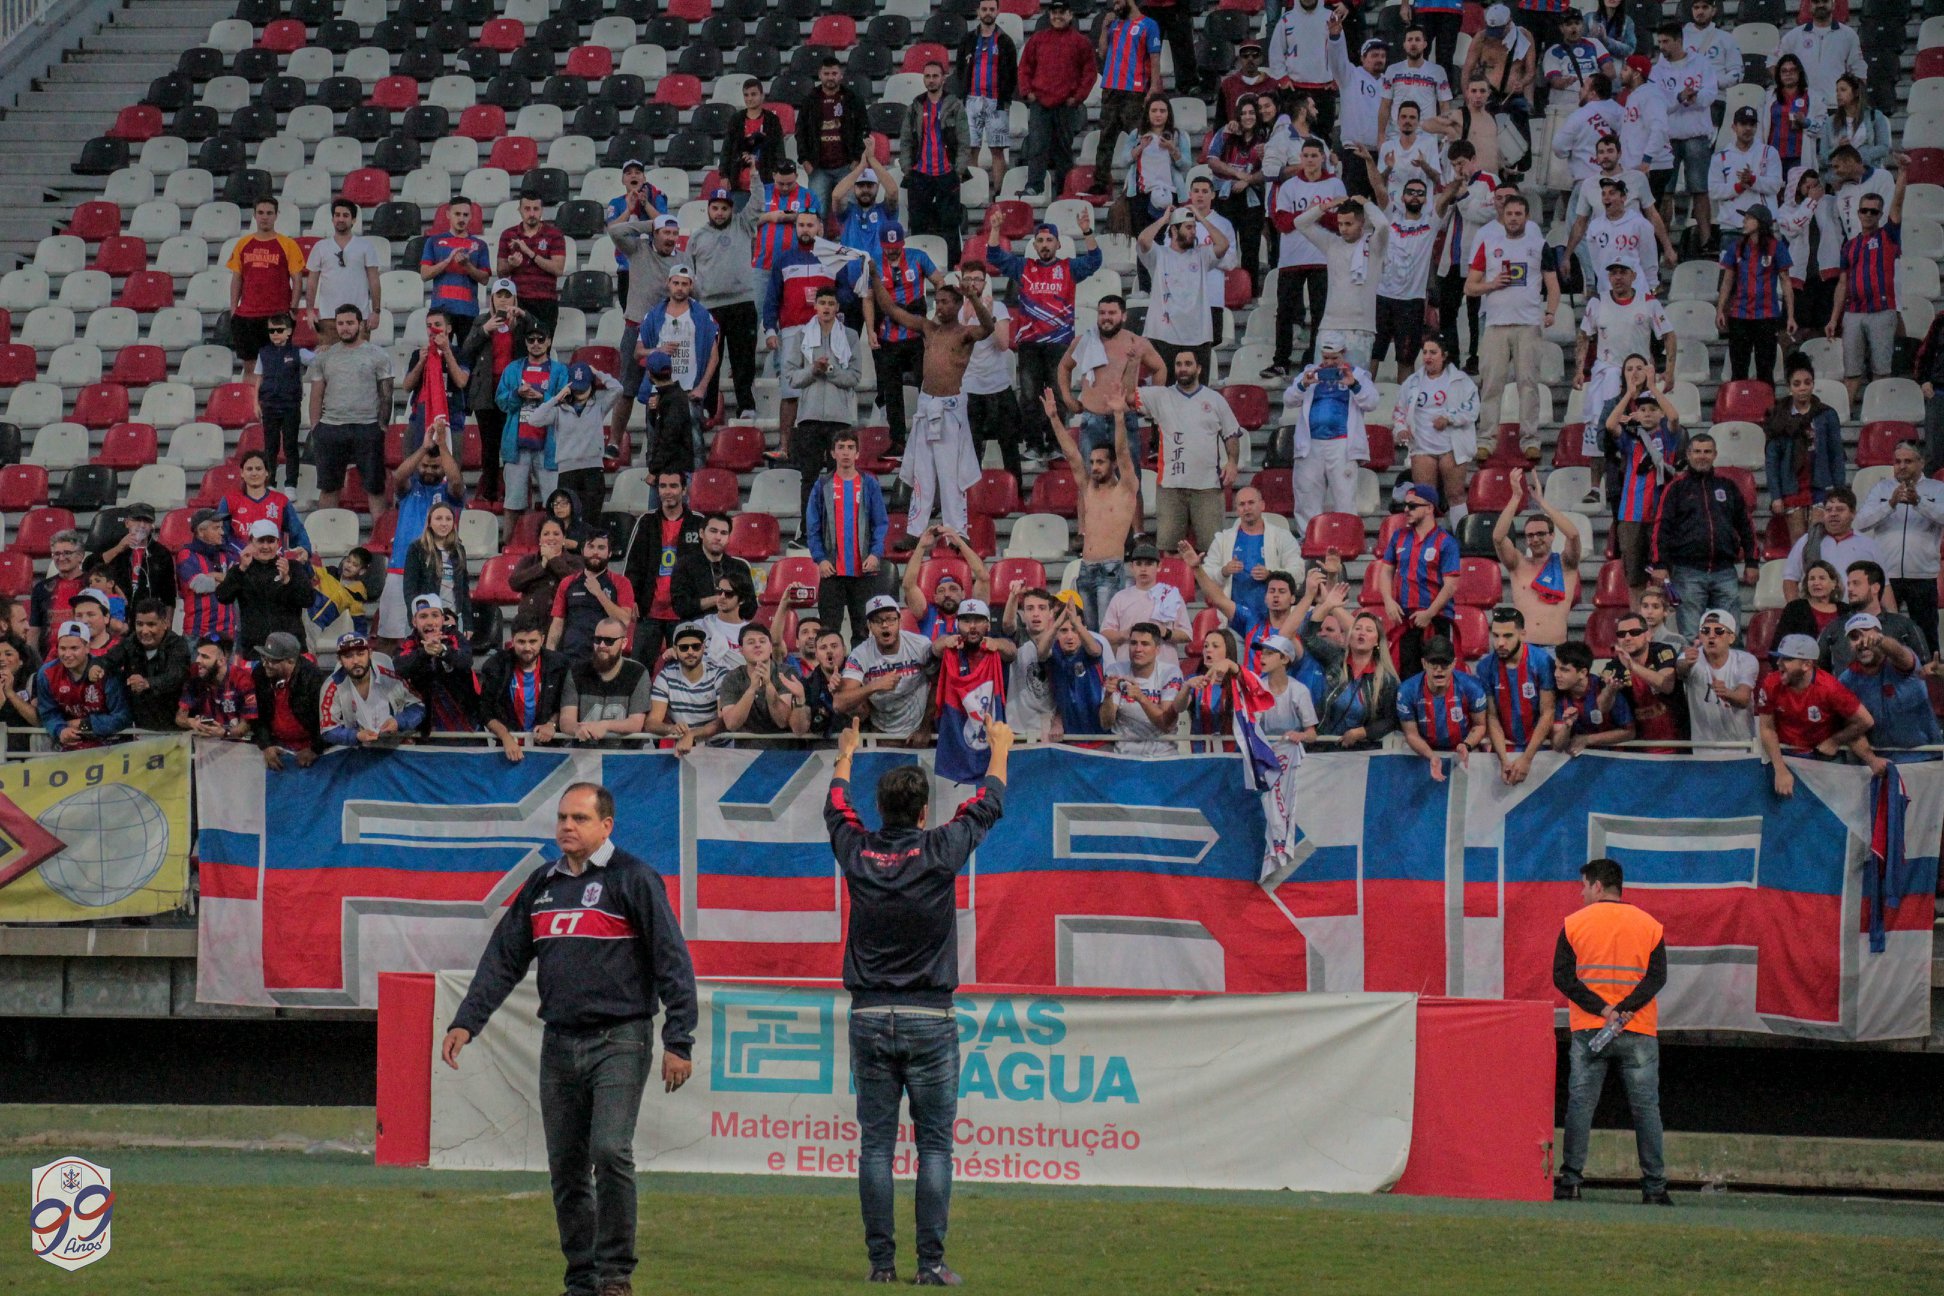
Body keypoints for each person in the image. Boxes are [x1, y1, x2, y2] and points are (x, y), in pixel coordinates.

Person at [444, 783, 696, 1296]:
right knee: (566, 1168)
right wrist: (467, 1020)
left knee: (610, 1151)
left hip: (620, 1038)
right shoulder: (542, 885)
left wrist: (679, 1039)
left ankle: (615, 1275)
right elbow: (503, 959)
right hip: (559, 1041)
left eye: (579, 818)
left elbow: (672, 960)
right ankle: (581, 1279)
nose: (566, 826)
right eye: (561, 817)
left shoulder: (634, 879)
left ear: (606, 825)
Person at [822, 713, 1008, 1286]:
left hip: (870, 1015)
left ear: (881, 811)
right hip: (931, 1017)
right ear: (924, 812)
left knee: (875, 1148)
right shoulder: (939, 849)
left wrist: (846, 752)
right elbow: (988, 803)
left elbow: (834, 807)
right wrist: (1000, 748)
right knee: (934, 1149)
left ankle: (882, 1267)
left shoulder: (858, 850)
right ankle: (930, 1264)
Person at [1553, 858, 1669, 1204]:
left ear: (1598, 886)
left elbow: (1563, 977)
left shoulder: (1573, 924)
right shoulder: (1650, 925)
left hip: (1591, 1028)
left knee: (1580, 1106)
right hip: (1638, 1029)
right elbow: (1657, 977)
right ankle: (1655, 1189)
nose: (1581, 892)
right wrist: (1625, 1010)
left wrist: (1603, 1010)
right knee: (1647, 1109)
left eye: (1584, 886)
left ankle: (1570, 1183)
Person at [872, 279, 993, 543]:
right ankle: (915, 531)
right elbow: (892, 310)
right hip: (927, 406)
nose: (939, 306)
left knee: (950, 476)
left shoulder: (964, 333)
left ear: (958, 305)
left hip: (950, 408)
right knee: (921, 474)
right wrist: (872, 275)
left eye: (946, 302)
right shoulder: (928, 328)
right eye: (937, 301)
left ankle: (957, 532)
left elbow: (988, 327)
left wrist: (973, 296)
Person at [1466, 192, 1558, 461]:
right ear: (1502, 216)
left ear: (1526, 217)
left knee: (1528, 384)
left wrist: (1551, 311)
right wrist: (1492, 285)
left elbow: (1552, 286)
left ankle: (1530, 439)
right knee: (1491, 384)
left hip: (1528, 323)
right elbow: (1470, 286)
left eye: (1519, 214)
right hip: (1496, 324)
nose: (1514, 219)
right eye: (1510, 214)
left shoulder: (1539, 245)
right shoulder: (1488, 243)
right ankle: (1486, 439)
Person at [1648, 434, 1760, 639]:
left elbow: (1746, 525)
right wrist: (1660, 564)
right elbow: (1661, 527)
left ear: (1715, 455)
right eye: (1697, 451)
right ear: (1689, 454)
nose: (1702, 456)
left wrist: (1752, 561)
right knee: (1691, 638)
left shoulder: (1728, 486)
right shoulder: (1676, 487)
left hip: (1725, 571)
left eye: (1707, 451)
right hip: (1687, 572)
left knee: (1730, 636)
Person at [376, 421, 465, 649]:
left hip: (433, 573)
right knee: (388, 636)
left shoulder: (450, 494)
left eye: (436, 467)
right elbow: (397, 477)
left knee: (431, 636)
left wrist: (443, 446)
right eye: (425, 466)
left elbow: (456, 481)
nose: (429, 470)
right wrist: (424, 448)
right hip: (399, 568)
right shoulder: (409, 488)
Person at [1142, 349, 1241, 553]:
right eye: (1179, 364)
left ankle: (1208, 586)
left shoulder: (1215, 399)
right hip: (1170, 486)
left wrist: (1232, 462)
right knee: (1169, 549)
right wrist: (1134, 362)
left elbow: (1231, 433)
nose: (1183, 368)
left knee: (1212, 549)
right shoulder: (1161, 396)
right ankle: (1173, 585)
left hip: (1207, 487)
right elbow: (1126, 396)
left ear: (1199, 368)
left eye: (1188, 363)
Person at [1579, 262, 1674, 472]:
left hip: (1641, 376)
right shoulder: (1597, 302)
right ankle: (1595, 488)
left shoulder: (1648, 302)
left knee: (1645, 426)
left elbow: (1669, 334)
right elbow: (1584, 335)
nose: (1618, 277)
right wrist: (1578, 369)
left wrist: (1670, 371)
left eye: (1623, 272)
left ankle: (1645, 471)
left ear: (1633, 275)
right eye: (1613, 273)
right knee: (1597, 425)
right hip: (1606, 373)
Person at [781, 286, 863, 525]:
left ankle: (838, 525)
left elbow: (855, 377)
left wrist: (830, 371)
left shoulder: (850, 336)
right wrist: (813, 371)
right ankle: (808, 528)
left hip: (840, 419)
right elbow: (792, 377)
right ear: (815, 306)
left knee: (838, 476)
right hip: (809, 417)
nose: (826, 307)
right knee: (809, 477)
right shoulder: (802, 336)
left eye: (831, 303)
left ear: (837, 308)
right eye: (822, 303)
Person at [1758, 634, 1878, 797]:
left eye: (1786, 659)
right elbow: (1766, 728)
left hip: (1823, 759)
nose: (1778, 663)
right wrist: (1780, 769)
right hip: (1786, 755)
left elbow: (1865, 721)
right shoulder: (1771, 683)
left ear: (1807, 665)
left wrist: (1835, 741)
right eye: (1779, 658)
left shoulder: (1829, 688)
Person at [1053, 294, 1163, 472]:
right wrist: (1067, 398)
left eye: (1112, 313)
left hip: (1125, 420)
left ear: (1124, 316)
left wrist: (1149, 402)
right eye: (1102, 312)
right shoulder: (1085, 340)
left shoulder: (1137, 343)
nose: (1106, 317)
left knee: (1130, 483)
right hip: (1091, 420)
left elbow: (1160, 369)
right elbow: (1064, 367)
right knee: (1090, 484)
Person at [1267, 139, 1348, 376]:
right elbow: (1281, 223)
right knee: (1284, 311)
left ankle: (1313, 359)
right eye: (1306, 155)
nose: (1310, 160)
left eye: (1314, 155)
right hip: (1291, 258)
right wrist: (1317, 211)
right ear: (1300, 158)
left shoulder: (1335, 185)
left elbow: (1340, 222)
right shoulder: (1290, 186)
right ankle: (1280, 360)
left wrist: (1313, 215)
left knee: (1320, 312)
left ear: (1323, 157)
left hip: (1323, 257)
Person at [1286, 331, 1380, 532]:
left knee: (1344, 496)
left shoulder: (1358, 375)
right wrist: (1304, 384)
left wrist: (1353, 384)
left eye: (1334, 358)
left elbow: (1372, 402)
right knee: (1307, 494)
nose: (1328, 362)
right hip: (1311, 443)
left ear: (1343, 353)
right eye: (1325, 358)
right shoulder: (1310, 373)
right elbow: (1288, 400)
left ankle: (1344, 538)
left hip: (1342, 443)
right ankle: (1309, 538)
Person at [1857, 442, 1944, 654]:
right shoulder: (1882, 489)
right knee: (1883, 631)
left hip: (1923, 575)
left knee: (1926, 635)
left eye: (1908, 461)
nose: (1902, 466)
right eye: (1897, 462)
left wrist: (1919, 502)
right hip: (1886, 576)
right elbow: (1861, 523)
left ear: (1921, 463)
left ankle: (1929, 683)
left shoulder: (1937, 488)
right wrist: (1890, 504)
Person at [305, 305, 394, 513]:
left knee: (375, 488)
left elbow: (387, 394)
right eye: (341, 323)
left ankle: (379, 538)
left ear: (360, 325)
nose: (345, 328)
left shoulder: (378, 355)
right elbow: (316, 393)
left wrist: (381, 426)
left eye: (350, 323)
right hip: (331, 428)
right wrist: (316, 427)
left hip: (367, 427)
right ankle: (324, 537)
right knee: (329, 487)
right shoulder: (325, 357)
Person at [1830, 164, 1905, 406]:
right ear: (1858, 213)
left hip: (1882, 310)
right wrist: (1834, 318)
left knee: (1881, 371)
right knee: (1851, 373)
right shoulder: (1849, 245)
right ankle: (1843, 417)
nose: (1869, 215)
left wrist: (1903, 173)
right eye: (1865, 211)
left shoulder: (1888, 235)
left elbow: (1898, 205)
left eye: (1874, 212)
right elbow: (1842, 283)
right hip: (1853, 312)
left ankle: (1881, 415)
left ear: (1881, 214)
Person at [804, 431, 888, 645]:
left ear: (858, 453)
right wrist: (820, 559)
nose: (846, 453)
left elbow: (880, 523)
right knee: (829, 631)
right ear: (833, 453)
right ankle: (829, 677)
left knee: (862, 630)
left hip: (863, 571)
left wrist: (876, 553)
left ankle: (858, 677)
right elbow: (812, 527)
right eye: (841, 447)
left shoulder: (869, 484)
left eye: (851, 447)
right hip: (831, 570)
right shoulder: (822, 485)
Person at [689, 187, 763, 422]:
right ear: (708, 209)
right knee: (710, 360)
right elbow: (688, 273)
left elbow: (758, 201)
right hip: (710, 308)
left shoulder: (743, 225)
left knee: (744, 359)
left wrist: (753, 176)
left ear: (732, 209)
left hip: (742, 303)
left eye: (724, 208)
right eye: (715, 208)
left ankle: (746, 406)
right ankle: (709, 407)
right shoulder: (697, 237)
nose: (719, 213)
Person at [456, 281, 532, 507]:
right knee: (489, 447)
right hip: (486, 393)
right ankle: (489, 493)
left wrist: (524, 317)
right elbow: (466, 349)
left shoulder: (522, 322)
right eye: (499, 295)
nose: (503, 300)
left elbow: (542, 335)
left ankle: (513, 493)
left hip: (514, 392)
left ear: (515, 299)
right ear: (491, 298)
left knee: (513, 445)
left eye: (508, 296)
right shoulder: (481, 321)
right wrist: (484, 330)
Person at [1605, 383, 1683, 598]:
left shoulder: (1668, 437)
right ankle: (1638, 626)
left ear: (1660, 413)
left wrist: (1654, 388)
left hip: (1662, 516)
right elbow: (1611, 424)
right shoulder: (1631, 440)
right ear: (1636, 413)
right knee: (1635, 581)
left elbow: (1674, 417)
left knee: (1662, 579)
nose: (1648, 413)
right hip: (1631, 516)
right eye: (1643, 410)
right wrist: (1630, 393)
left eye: (1653, 409)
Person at [1378, 481, 1463, 678]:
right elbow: (1385, 571)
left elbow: (1451, 585)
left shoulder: (1446, 541)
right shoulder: (1398, 536)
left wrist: (1429, 613)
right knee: (1406, 675)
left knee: (1438, 675)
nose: (1406, 510)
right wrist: (1388, 600)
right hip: (1406, 620)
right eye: (1405, 505)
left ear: (1430, 508)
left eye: (1413, 506)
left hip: (1437, 620)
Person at [1393, 338, 1481, 523]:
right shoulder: (1412, 381)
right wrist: (1401, 429)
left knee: (1456, 495)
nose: (1427, 357)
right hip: (1422, 445)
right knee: (1424, 498)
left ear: (1444, 355)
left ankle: (1461, 539)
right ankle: (1427, 541)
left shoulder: (1461, 380)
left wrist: (1449, 418)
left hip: (1451, 445)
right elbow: (1400, 410)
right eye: (1425, 352)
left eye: (1433, 352)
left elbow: (1472, 409)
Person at [1490, 469, 1580, 646]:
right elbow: (1498, 537)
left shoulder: (1565, 565)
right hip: (1523, 649)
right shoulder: (1518, 564)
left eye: (1541, 533)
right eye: (1530, 535)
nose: (1536, 539)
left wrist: (1542, 502)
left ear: (1552, 535)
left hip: (1555, 648)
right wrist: (1516, 498)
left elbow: (1573, 535)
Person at [1017, 0, 1097, 200]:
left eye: (1062, 13)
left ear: (1070, 15)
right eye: (1054, 13)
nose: (1057, 16)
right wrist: (1028, 92)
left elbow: (1089, 74)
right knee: (1037, 145)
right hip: (1040, 104)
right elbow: (1024, 67)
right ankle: (1034, 185)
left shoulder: (1081, 42)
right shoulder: (1037, 39)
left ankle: (1064, 189)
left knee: (1063, 148)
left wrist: (1077, 98)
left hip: (1065, 105)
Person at [1650, 21, 1719, 251]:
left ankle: (1706, 242)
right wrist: (1679, 97)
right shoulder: (1658, 69)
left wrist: (1695, 97)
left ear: (1679, 41)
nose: (1662, 46)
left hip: (1695, 133)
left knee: (1700, 189)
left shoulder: (1700, 63)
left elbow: (1712, 92)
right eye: (1659, 42)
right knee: (1665, 192)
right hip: (1667, 136)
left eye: (1666, 42)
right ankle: (1663, 246)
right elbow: (1656, 102)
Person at [1197, 486, 1305, 627]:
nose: (1246, 508)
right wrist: (1224, 571)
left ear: (1262, 505)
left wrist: (1271, 574)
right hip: (1234, 622)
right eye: (1242, 504)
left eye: (1251, 503)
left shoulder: (1282, 537)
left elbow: (1299, 572)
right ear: (1237, 510)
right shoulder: (1223, 539)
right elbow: (1205, 575)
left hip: (1274, 621)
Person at [1837, 614, 1939, 761]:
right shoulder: (1846, 681)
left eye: (1869, 634)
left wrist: (1881, 641)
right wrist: (1872, 760)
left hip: (1926, 758)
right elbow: (1851, 727)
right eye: (1855, 637)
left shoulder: (1900, 662)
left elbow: (1900, 654)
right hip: (1882, 765)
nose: (1863, 642)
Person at [955, 262, 1022, 482]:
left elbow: (1003, 344)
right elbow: (956, 348)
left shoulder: (999, 307)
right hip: (969, 388)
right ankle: (972, 497)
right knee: (970, 448)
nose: (973, 283)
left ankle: (1017, 494)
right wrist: (964, 319)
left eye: (977, 279)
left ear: (985, 282)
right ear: (962, 281)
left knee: (1009, 446)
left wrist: (989, 317)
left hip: (998, 387)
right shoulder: (955, 310)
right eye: (968, 279)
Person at [899, 62, 970, 271]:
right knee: (918, 225)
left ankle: (952, 269)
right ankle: (918, 268)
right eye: (927, 76)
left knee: (949, 225)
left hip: (947, 173)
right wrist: (906, 169)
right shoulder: (915, 106)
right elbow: (905, 140)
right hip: (920, 174)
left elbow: (964, 141)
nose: (931, 80)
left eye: (935, 76)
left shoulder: (954, 105)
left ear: (943, 78)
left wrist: (957, 171)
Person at [1135, 207, 1223, 374]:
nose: (1193, 232)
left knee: (1197, 390)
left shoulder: (1202, 255)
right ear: (1174, 230)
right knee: (1164, 392)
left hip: (1198, 336)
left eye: (1194, 227)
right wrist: (1163, 220)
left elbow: (1223, 245)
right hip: (1163, 336)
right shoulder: (1159, 254)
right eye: (1188, 227)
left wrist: (1201, 219)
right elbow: (1143, 240)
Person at [1476, 606, 1557, 785]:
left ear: (1523, 634)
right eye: (1495, 636)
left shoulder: (1542, 662)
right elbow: (1492, 716)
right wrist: (1503, 760)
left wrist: (1527, 758)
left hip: (1539, 748)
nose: (1500, 643)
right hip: (1505, 747)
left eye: (1508, 636)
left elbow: (1548, 712)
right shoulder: (1485, 667)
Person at [1766, 357, 1845, 540]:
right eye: (1797, 383)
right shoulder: (1777, 416)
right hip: (1791, 485)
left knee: (1817, 541)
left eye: (1807, 383)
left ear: (1813, 384)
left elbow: (1836, 455)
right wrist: (1776, 495)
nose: (1802, 388)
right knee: (1798, 543)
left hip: (1821, 484)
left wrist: (1839, 491)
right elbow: (1772, 460)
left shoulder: (1827, 414)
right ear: (1789, 387)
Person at [838, 595, 936, 742]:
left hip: (918, 728)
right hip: (881, 732)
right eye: (878, 621)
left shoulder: (920, 645)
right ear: (869, 626)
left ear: (899, 621)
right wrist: (875, 686)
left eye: (890, 619)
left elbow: (938, 684)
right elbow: (840, 703)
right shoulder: (860, 654)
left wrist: (925, 727)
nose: (885, 625)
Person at [495, 326, 569, 515]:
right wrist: (516, 394)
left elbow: (566, 404)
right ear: (525, 342)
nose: (536, 344)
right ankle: (508, 544)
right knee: (513, 503)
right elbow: (500, 401)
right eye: (531, 340)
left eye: (540, 339)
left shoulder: (560, 371)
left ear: (549, 341)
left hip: (549, 447)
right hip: (517, 446)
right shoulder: (512, 369)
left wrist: (541, 397)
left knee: (554, 505)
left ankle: (553, 542)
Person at [215, 520, 314, 659]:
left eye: (271, 541)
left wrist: (287, 580)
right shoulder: (241, 570)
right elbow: (222, 597)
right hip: (255, 650)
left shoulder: (293, 567)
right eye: (261, 541)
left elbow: (308, 600)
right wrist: (241, 569)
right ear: (251, 541)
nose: (266, 546)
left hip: (290, 649)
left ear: (278, 543)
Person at [1092, 0, 1163, 193]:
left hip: (1134, 91)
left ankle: (1145, 178)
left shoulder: (1148, 25)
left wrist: (1154, 87)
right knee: (1105, 137)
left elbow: (1155, 57)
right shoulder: (1114, 24)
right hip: (1110, 88)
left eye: (1117, 0)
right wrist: (1103, 29)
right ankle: (1100, 182)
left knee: (1139, 136)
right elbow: (1103, 53)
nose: (1114, 4)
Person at [537, 363, 625, 517]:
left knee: (591, 519)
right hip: (567, 472)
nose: (580, 392)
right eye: (576, 388)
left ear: (591, 385)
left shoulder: (599, 406)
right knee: (567, 521)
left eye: (584, 387)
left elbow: (618, 389)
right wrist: (556, 398)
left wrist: (598, 373)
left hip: (593, 471)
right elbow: (535, 419)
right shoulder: (558, 411)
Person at [1395, 634, 1488, 780]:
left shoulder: (1471, 687)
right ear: (1424, 663)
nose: (1439, 670)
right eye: (1433, 663)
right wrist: (1431, 755)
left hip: (1463, 747)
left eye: (1444, 663)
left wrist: (1467, 745)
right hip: (1424, 749)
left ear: (1454, 663)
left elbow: (1480, 725)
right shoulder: (1407, 690)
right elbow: (1411, 734)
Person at [226, 197, 304, 363]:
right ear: (254, 215)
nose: (264, 217)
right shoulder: (243, 244)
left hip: (277, 315)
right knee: (250, 367)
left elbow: (297, 279)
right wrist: (234, 309)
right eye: (260, 212)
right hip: (247, 316)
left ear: (276, 216)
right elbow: (237, 278)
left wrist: (293, 309)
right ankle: (253, 391)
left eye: (269, 213)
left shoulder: (288, 244)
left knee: (278, 365)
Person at [480, 617, 567, 762]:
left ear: (542, 639)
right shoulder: (495, 665)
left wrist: (551, 724)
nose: (527, 648)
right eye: (521, 642)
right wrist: (505, 736)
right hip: (507, 749)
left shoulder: (558, 665)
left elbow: (566, 704)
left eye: (533, 642)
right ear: (512, 640)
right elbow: (485, 711)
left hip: (549, 749)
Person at [955, 0, 1018, 200]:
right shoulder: (967, 40)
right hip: (971, 100)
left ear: (998, 11)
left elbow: (1012, 74)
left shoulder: (1005, 41)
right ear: (978, 11)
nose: (988, 13)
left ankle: (998, 194)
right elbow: (959, 69)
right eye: (984, 9)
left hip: (996, 102)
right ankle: (976, 192)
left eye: (992, 9)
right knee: (972, 149)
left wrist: (1005, 98)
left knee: (997, 150)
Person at [1817, 561, 1928, 673]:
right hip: (1844, 688)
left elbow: (1924, 668)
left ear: (1875, 588)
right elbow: (1816, 670)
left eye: (1856, 583)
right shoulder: (1834, 628)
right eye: (1849, 584)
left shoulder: (1904, 625)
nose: (1850, 589)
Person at [1600, 609, 1686, 749]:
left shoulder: (1662, 650)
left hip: (1676, 745)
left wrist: (1632, 666)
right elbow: (1602, 707)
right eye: (1621, 634)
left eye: (1634, 632)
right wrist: (1610, 691)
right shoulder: (1613, 666)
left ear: (1648, 635)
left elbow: (1666, 685)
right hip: (1638, 749)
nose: (1627, 638)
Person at [34, 621, 129, 749]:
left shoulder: (106, 671)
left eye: (74, 648)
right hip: (68, 751)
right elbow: (48, 713)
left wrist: (84, 724)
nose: (67, 655)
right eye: (62, 648)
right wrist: (60, 730)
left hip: (111, 749)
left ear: (87, 647)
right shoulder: (46, 674)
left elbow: (122, 717)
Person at [560, 617, 653, 746]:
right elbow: (566, 719)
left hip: (625, 757)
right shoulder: (576, 672)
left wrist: (605, 725)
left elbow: (636, 723)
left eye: (609, 641)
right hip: (584, 756)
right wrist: (577, 729)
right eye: (597, 640)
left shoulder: (638, 673)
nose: (602, 646)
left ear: (624, 643)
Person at [397, 589, 478, 737]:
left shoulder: (454, 637)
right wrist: (424, 653)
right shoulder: (408, 644)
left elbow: (466, 660)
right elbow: (398, 667)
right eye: (423, 616)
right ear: (414, 622)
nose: (430, 622)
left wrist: (443, 651)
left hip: (465, 725)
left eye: (435, 615)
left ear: (442, 619)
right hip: (425, 728)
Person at [320, 630, 421, 747]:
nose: (356, 661)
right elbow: (328, 730)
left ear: (370, 653)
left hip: (397, 745)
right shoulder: (331, 687)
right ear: (339, 660)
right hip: (358, 751)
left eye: (360, 654)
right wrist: (355, 736)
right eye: (348, 656)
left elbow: (419, 706)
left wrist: (399, 722)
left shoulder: (391, 677)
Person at [1099, 543, 1192, 670]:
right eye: (1139, 564)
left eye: (1149, 564)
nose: (1143, 569)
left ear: (1159, 566)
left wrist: (1166, 633)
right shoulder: (1120, 597)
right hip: (1129, 668)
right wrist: (1124, 634)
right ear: (1132, 567)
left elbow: (1187, 634)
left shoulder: (1171, 595)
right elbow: (1105, 633)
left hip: (1164, 669)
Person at [1776, 168, 1843, 346]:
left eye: (1816, 185)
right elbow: (1794, 227)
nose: (1813, 189)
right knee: (1793, 326)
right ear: (1797, 187)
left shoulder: (1828, 202)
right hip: (1800, 276)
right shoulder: (1784, 211)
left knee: (1822, 324)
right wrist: (1810, 202)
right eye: (1808, 186)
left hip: (1826, 275)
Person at [548, 531, 635, 667]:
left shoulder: (621, 583)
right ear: (583, 551)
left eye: (601, 548)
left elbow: (624, 620)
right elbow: (557, 624)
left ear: (609, 553)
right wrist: (550, 656)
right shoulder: (568, 583)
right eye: (591, 547)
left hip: (605, 659)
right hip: (571, 658)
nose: (595, 552)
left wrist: (599, 594)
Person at [1782, 486, 1882, 603]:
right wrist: (1795, 610)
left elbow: (1884, 585)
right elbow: (1790, 580)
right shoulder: (1808, 541)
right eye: (1829, 510)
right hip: (1817, 615)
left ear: (1853, 513)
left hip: (1856, 615)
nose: (1833, 514)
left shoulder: (1868, 544)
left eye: (1839, 509)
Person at [796, 58, 871, 213]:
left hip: (847, 167)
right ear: (820, 75)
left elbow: (864, 129)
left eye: (834, 73)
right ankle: (819, 239)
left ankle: (849, 239)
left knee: (849, 212)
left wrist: (857, 159)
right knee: (816, 213)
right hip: (818, 168)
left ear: (841, 75)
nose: (830, 77)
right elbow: (800, 132)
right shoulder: (809, 100)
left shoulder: (853, 99)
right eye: (826, 73)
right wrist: (805, 161)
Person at [1677, 607, 1760, 745]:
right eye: (1705, 631)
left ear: (1731, 637)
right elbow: (1680, 669)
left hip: (1741, 746)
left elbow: (1744, 699)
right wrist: (1686, 663)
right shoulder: (1690, 657)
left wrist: (1727, 693)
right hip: (1703, 748)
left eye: (1719, 631)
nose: (1711, 635)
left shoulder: (1746, 661)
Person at [301, 197, 381, 339]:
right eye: (337, 215)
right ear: (332, 219)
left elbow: (374, 281)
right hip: (328, 317)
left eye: (345, 215)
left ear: (354, 220)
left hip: (358, 317)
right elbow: (312, 282)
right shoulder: (320, 247)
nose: (340, 219)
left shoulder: (365, 246)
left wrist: (376, 311)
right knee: (330, 360)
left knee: (359, 360)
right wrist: (309, 311)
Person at [718, 622, 811, 743]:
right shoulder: (732, 678)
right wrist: (751, 689)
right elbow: (731, 724)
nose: (757, 645)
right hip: (746, 756)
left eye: (762, 641)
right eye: (751, 642)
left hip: (786, 752)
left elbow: (782, 721)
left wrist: (768, 684)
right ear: (741, 650)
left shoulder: (787, 672)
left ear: (771, 647)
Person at [105, 598, 188, 730]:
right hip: (141, 727)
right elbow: (109, 659)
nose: (144, 631)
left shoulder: (178, 645)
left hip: (174, 729)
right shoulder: (130, 642)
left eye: (151, 624)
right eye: (139, 624)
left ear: (165, 623)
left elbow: (175, 676)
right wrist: (96, 667)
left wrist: (147, 683)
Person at [418, 198, 491, 346]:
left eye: (465, 215)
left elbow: (484, 279)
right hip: (441, 310)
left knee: (467, 357)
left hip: (468, 311)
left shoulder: (480, 245)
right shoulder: (434, 241)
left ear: (471, 216)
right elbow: (424, 274)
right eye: (457, 214)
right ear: (448, 214)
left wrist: (467, 265)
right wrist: (447, 261)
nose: (461, 218)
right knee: (439, 356)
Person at [246, 632, 324, 769]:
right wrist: (266, 745)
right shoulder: (259, 673)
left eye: (272, 660)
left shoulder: (312, 677)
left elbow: (326, 720)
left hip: (310, 745)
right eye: (264, 657)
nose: (265, 664)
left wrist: (315, 749)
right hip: (276, 743)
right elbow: (258, 717)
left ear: (290, 661)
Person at [645, 621, 724, 751]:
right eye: (684, 647)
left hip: (720, 752)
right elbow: (651, 722)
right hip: (683, 749)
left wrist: (692, 734)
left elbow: (724, 721)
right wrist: (671, 728)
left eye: (696, 646)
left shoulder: (719, 674)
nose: (690, 651)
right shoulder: (665, 677)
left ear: (703, 648)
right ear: (675, 649)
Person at [496, 193, 565, 338]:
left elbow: (558, 269)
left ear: (542, 210)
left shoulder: (554, 234)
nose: (532, 213)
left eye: (536, 209)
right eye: (527, 209)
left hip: (546, 301)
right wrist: (512, 265)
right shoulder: (508, 234)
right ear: (519, 210)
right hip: (518, 300)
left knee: (541, 349)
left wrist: (529, 252)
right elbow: (501, 272)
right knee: (518, 351)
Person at [1773, 0, 1867, 106]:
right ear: (1810, 6)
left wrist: (1855, 102)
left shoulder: (1849, 35)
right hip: (1804, 107)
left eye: (1825, 1)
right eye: (1816, 2)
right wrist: (1790, 90)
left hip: (1836, 106)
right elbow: (1773, 63)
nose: (1821, 5)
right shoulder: (1794, 36)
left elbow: (1859, 72)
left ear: (1833, 4)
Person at [605, 159, 669, 313]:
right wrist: (629, 210)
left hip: (652, 267)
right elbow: (612, 228)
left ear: (644, 178)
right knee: (630, 316)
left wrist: (646, 204)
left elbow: (665, 224)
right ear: (623, 180)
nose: (633, 175)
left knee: (655, 314)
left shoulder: (656, 198)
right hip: (627, 269)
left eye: (637, 172)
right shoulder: (616, 202)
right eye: (628, 173)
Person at [1711, 107, 1785, 241]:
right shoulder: (1720, 157)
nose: (1748, 128)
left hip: (1764, 226)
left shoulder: (1769, 152)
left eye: (1752, 124)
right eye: (1743, 124)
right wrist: (1738, 186)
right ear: (1734, 127)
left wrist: (1752, 180)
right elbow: (1714, 191)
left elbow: (1775, 185)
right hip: (1731, 225)